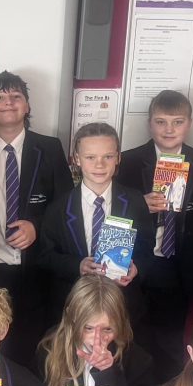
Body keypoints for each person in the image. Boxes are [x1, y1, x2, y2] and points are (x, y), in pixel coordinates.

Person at [0, 71, 73, 367]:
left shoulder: (50, 148)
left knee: (37, 354)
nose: (9, 102)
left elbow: (67, 208)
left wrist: (37, 226)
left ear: (27, 106)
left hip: (36, 272)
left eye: (16, 96)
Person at [117, 89, 193, 382]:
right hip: (137, 266)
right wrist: (138, 204)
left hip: (178, 267)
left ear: (190, 123)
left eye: (177, 122)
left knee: (171, 345)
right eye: (160, 122)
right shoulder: (129, 161)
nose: (168, 129)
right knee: (132, 341)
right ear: (149, 123)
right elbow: (112, 213)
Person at [38, 122, 150, 323]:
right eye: (91, 157)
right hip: (73, 306)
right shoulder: (58, 207)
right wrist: (77, 265)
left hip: (122, 305)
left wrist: (137, 267)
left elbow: (146, 248)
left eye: (108, 156)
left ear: (118, 157)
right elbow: (46, 255)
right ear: (77, 159)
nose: (100, 164)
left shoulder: (135, 201)